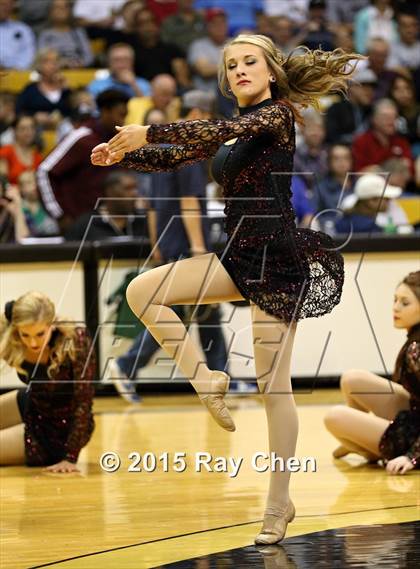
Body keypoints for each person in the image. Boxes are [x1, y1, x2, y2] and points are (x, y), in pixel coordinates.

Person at [91, 34, 363, 544]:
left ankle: (279, 504)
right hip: (236, 257)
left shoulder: (276, 116)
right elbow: (182, 155)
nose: (239, 70)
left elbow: (215, 128)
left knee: (272, 387)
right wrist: (124, 155)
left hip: (277, 259)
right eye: (231, 64)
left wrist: (147, 130)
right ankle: (207, 379)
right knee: (142, 292)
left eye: (249, 62)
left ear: (270, 71)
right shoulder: (232, 133)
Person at [107, 90, 229, 403]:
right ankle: (126, 364)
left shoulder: (162, 150)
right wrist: (200, 247)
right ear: (195, 115)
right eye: (206, 117)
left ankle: (222, 375)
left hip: (168, 240)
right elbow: (189, 203)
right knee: (176, 313)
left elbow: (150, 207)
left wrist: (156, 244)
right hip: (188, 244)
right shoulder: (187, 152)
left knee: (206, 312)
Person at [324, 271, 420, 474]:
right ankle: (360, 442)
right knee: (352, 379)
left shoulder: (416, 350)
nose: (395, 307)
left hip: (415, 438)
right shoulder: (414, 340)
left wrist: (412, 456)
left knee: (334, 417)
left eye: (405, 303)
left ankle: (364, 445)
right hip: (414, 416)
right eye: (395, 300)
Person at [0, 291, 96, 472]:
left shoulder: (75, 341)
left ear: (52, 324)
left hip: (56, 432)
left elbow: (84, 402)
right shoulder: (11, 338)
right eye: (25, 335)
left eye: (39, 334)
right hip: (33, 403)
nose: (33, 343)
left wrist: (70, 457)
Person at [37, 89, 129, 232]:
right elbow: (44, 171)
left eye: (126, 115)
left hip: (110, 225)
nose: (123, 121)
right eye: (121, 115)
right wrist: (60, 215)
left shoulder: (119, 141)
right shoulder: (82, 137)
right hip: (79, 225)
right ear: (105, 111)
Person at [38, 0, 94, 69]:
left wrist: (79, 63)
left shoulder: (78, 33)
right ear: (50, 11)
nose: (61, 11)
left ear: (70, 11)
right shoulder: (45, 35)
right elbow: (42, 57)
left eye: (65, 7)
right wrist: (58, 63)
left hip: (78, 71)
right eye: (57, 7)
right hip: (54, 71)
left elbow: (89, 57)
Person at [0, 115, 43, 185]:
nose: (29, 132)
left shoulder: (38, 156)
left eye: (32, 128)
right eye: (23, 128)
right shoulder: (6, 151)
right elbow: (2, 180)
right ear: (14, 130)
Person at [0, 0, 36, 69]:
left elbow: (28, 55)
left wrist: (15, 68)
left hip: (15, 73)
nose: (4, 8)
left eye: (7, 5)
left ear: (12, 6)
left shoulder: (23, 30)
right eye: (1, 4)